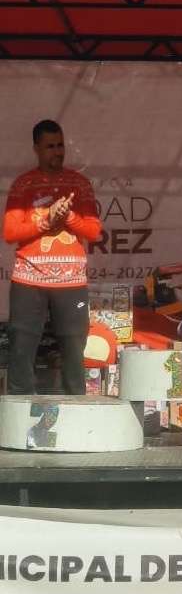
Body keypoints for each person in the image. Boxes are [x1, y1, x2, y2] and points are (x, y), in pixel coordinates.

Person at [3, 119, 102, 395]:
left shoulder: (79, 184)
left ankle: (76, 406)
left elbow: (94, 231)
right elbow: (10, 232)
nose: (57, 151)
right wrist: (46, 219)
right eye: (50, 147)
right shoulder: (23, 184)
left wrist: (68, 217)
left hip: (71, 282)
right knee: (22, 344)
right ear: (36, 148)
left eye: (60, 145)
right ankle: (20, 409)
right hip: (28, 279)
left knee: (74, 346)